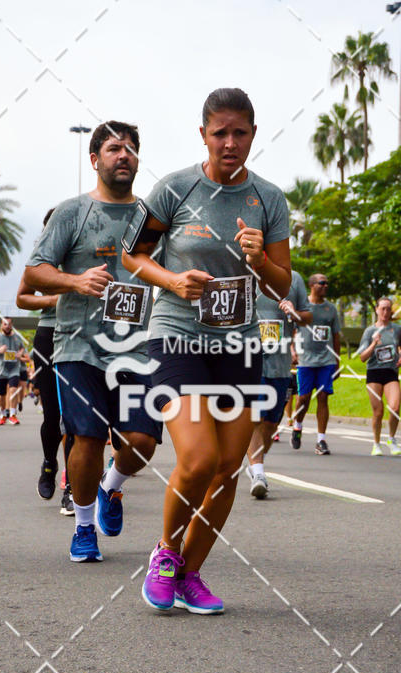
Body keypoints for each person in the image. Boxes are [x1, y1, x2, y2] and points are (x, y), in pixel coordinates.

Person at [122, 87, 291, 614]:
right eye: (220, 132)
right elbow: (133, 257)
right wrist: (173, 281)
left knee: (226, 470)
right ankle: (166, 553)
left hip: (239, 346)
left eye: (240, 132)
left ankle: (191, 575)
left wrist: (260, 260)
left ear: (253, 135)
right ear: (203, 135)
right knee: (198, 459)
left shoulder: (268, 199)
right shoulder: (174, 189)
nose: (230, 142)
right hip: (176, 337)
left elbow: (282, 286)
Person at [24, 120, 162, 562]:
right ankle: (84, 529)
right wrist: (74, 281)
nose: (124, 156)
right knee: (85, 437)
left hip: (137, 348)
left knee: (142, 441)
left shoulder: (154, 217)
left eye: (131, 149)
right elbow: (35, 272)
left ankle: (111, 487)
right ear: (94, 160)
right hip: (78, 345)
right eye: (114, 148)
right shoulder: (71, 212)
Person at [16, 208, 71, 506]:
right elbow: (22, 298)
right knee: (54, 415)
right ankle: (50, 464)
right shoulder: (42, 257)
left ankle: (73, 487)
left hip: (85, 336)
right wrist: (54, 300)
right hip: (49, 335)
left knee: (79, 418)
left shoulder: (89, 250)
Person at [246, 270, 311, 498]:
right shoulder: (242, 273)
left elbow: (308, 317)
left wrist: (295, 313)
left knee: (272, 422)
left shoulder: (293, 279)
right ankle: (258, 471)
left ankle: (255, 464)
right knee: (256, 417)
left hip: (280, 364)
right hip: (248, 360)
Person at [290, 274, 341, 455]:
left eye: (327, 283)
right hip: (305, 360)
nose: (325, 286)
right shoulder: (303, 307)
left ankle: (321, 440)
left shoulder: (331, 309)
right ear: (312, 285)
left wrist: (337, 360)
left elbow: (336, 335)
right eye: (321, 283)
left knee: (323, 397)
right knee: (303, 398)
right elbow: (291, 330)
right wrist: (292, 351)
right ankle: (297, 427)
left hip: (326, 359)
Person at [358, 297, 401, 456]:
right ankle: (376, 443)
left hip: (391, 373)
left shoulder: (397, 329)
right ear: (377, 310)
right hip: (374, 373)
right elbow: (362, 357)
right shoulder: (370, 331)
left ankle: (392, 439)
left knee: (395, 407)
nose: (386, 312)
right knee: (378, 412)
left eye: (388, 309)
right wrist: (373, 344)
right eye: (383, 308)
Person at [0, 317, 26, 425]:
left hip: (14, 369)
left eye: (9, 324)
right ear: (1, 325)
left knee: (13, 390)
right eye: (5, 324)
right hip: (1, 370)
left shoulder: (17, 338)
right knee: (1, 395)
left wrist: (20, 353)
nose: (7, 326)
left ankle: (13, 415)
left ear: (12, 325)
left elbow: (22, 348)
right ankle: (3, 414)